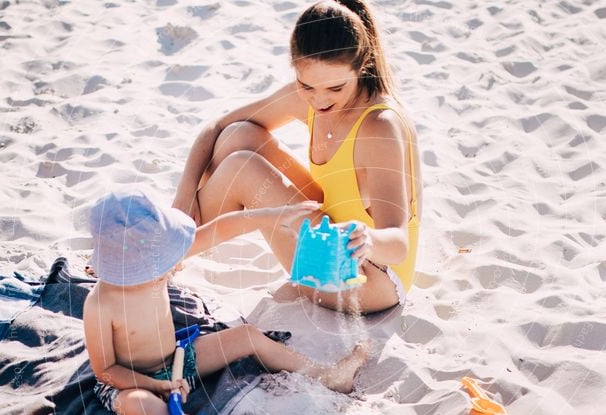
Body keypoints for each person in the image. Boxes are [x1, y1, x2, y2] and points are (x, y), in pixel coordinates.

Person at [83, 191, 368, 415]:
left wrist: (270, 216)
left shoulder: (158, 263)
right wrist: (157, 386)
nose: (171, 264)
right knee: (147, 410)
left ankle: (329, 376)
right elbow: (106, 370)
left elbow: (221, 229)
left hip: (178, 362)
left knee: (246, 336)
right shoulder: (100, 304)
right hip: (129, 382)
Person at [173, 0, 421, 314]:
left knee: (242, 170)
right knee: (239, 136)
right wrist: (183, 197)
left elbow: (398, 244)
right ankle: (177, 235)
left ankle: (161, 255)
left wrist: (368, 238)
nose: (319, 100)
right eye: (307, 85)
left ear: (362, 66)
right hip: (326, 230)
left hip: (372, 277)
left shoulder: (379, 127)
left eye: (335, 87)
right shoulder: (306, 97)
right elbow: (217, 126)